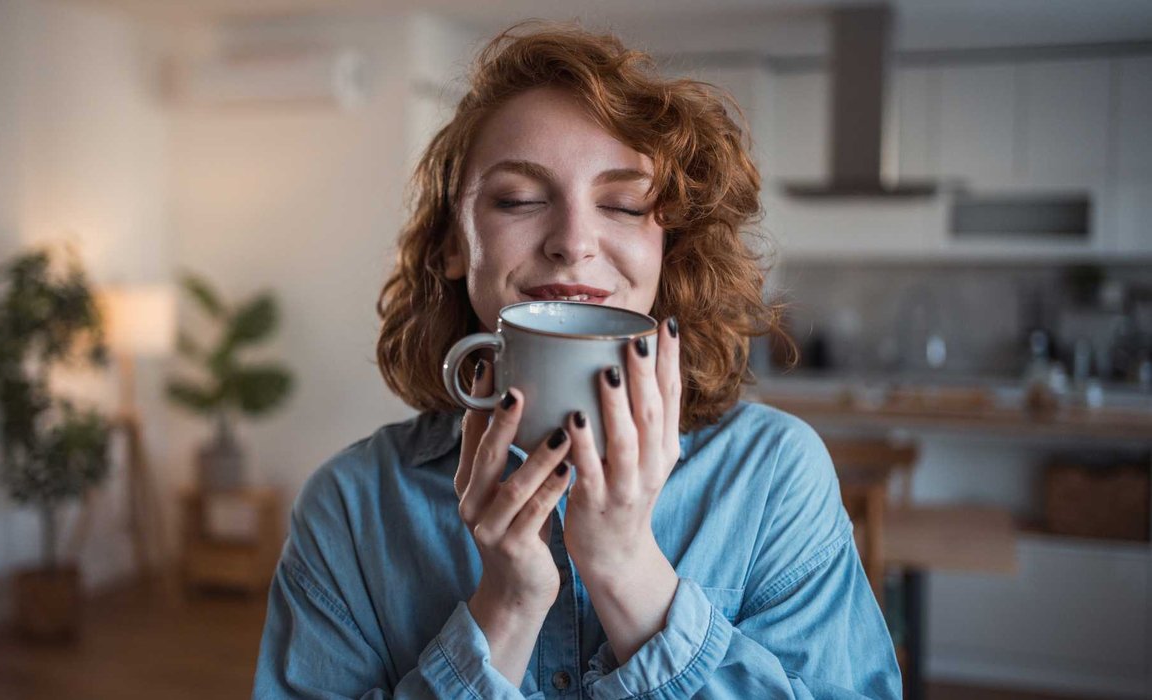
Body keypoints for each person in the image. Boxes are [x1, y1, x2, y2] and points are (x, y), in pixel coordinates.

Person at [253, 22, 900, 699]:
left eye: (621, 205)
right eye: (518, 200)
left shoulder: (772, 476)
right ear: (452, 245)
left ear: (666, 251)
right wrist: (503, 609)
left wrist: (627, 571)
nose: (572, 241)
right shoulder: (350, 507)